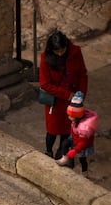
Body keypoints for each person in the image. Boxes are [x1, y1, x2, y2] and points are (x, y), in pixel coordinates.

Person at [39, 30, 88, 159]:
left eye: (62, 50)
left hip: (73, 101)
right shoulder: (45, 59)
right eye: (57, 51)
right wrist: (67, 94)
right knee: (52, 130)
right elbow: (45, 84)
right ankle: (48, 151)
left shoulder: (75, 53)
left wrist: (81, 94)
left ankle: (61, 151)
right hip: (55, 102)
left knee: (67, 129)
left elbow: (82, 74)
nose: (60, 53)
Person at [55, 91, 97, 177]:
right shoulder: (76, 121)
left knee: (82, 159)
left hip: (82, 145)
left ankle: (84, 173)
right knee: (65, 143)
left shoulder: (85, 128)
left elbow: (83, 143)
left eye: (71, 116)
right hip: (75, 139)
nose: (69, 117)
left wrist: (75, 150)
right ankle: (65, 158)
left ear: (77, 116)